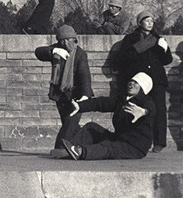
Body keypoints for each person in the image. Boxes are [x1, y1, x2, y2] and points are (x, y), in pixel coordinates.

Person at [61, 73, 155, 161]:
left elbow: (151, 109)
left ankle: (80, 152)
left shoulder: (145, 100)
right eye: (131, 81)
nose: (131, 84)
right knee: (91, 127)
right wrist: (80, 106)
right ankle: (68, 150)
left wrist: (143, 112)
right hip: (119, 139)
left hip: (134, 147)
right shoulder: (122, 100)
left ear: (143, 88)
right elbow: (101, 103)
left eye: (136, 83)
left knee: (108, 147)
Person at [114, 11, 173, 152]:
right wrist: (142, 46)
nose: (150, 23)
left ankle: (159, 142)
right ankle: (135, 140)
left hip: (157, 80)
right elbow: (122, 59)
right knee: (136, 109)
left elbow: (167, 60)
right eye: (146, 20)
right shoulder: (130, 39)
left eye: (152, 21)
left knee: (159, 109)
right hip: (138, 81)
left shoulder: (158, 38)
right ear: (140, 23)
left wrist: (164, 48)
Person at [34, 25, 94, 149]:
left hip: (76, 96)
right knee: (69, 124)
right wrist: (53, 51)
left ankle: (60, 148)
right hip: (61, 95)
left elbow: (84, 75)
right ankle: (82, 146)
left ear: (74, 39)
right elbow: (39, 52)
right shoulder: (57, 50)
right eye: (63, 41)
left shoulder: (80, 54)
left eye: (69, 40)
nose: (66, 43)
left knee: (70, 122)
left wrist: (85, 95)